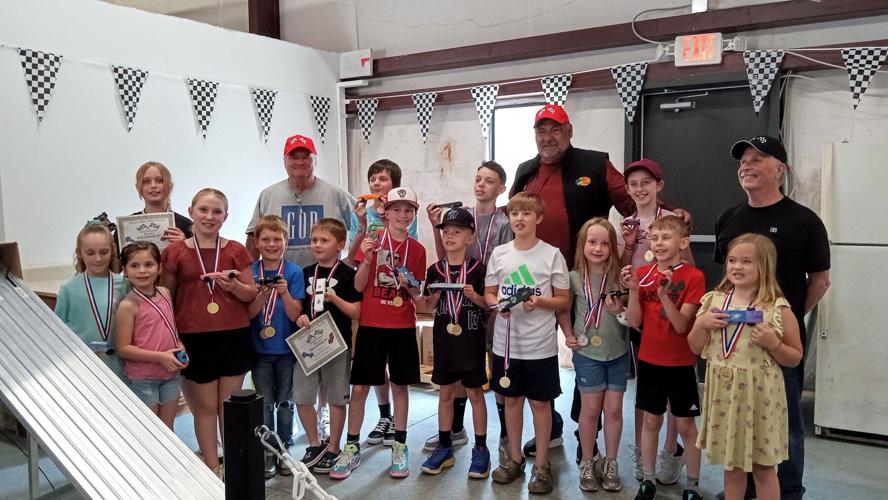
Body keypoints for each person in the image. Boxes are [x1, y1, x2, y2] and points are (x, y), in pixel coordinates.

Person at [510, 104, 688, 459]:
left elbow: (632, 202)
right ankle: (553, 430)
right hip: (536, 276)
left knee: (587, 348)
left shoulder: (594, 164)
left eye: (555, 129)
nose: (548, 137)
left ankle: (585, 436)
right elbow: (513, 213)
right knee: (542, 353)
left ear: (570, 131)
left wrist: (670, 214)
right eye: (541, 131)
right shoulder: (526, 171)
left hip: (586, 277)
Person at [715, 135, 830, 500]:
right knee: (740, 416)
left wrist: (787, 321)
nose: (746, 165)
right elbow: (726, 280)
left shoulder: (804, 221)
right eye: (743, 160)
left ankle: (789, 491)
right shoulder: (728, 218)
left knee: (786, 422)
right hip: (733, 345)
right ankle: (745, 489)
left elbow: (820, 281)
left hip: (779, 344)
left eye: (757, 158)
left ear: (779, 170)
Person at [688, 234, 803, 500]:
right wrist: (702, 324)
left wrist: (774, 344)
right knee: (733, 465)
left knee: (764, 469)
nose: (737, 267)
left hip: (760, 398)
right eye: (732, 260)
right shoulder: (713, 302)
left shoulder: (777, 308)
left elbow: (794, 357)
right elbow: (694, 347)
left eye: (746, 262)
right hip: (724, 398)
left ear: (764, 266)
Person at [160, 188, 258, 477]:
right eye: (203, 210)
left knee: (229, 407)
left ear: (226, 217)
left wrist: (233, 287)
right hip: (194, 336)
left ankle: (234, 466)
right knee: (204, 407)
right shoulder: (175, 252)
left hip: (233, 334)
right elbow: (166, 295)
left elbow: (250, 292)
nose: (209, 216)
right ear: (190, 212)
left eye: (217, 212)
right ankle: (212, 467)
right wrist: (172, 338)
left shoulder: (236, 250)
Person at [332, 187, 426, 480]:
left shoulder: (418, 250)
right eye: (396, 209)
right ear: (385, 213)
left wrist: (406, 282)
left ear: (413, 215)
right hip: (372, 325)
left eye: (408, 210)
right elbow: (359, 286)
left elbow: (416, 294)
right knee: (359, 388)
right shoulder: (371, 242)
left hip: (402, 326)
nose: (402, 215)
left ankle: (400, 444)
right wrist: (369, 261)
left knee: (400, 386)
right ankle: (351, 446)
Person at [423, 161, 514, 458]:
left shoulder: (504, 223)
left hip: (491, 301)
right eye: (477, 179)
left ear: (501, 188)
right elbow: (444, 266)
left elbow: (508, 266)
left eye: (489, 181)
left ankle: (498, 436)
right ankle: (454, 433)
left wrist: (494, 302)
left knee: (492, 372)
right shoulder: (463, 217)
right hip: (459, 309)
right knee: (455, 378)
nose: (481, 185)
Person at [611, 158, 693, 484]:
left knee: (673, 389)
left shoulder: (674, 220)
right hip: (640, 315)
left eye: (646, 182)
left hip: (670, 315)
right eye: (634, 184)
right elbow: (621, 270)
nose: (640, 189)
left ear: (659, 185)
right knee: (645, 387)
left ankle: (671, 450)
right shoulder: (626, 223)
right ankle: (643, 452)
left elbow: (687, 266)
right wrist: (628, 246)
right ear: (628, 190)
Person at [485, 192, 570, 495]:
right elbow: (490, 293)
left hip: (540, 346)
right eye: (514, 213)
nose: (519, 219)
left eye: (526, 214)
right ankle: (515, 457)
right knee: (511, 401)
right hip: (506, 345)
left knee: (540, 403)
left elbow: (563, 300)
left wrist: (540, 301)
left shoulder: (551, 254)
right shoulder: (500, 253)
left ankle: (543, 464)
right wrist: (499, 305)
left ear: (539, 219)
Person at [623, 215, 705, 500]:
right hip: (649, 361)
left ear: (683, 242)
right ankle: (648, 479)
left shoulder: (694, 276)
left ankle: (693, 485)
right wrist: (634, 291)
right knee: (650, 421)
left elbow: (682, 325)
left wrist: (664, 295)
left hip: (681, 363)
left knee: (685, 424)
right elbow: (635, 322)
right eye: (655, 238)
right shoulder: (643, 273)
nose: (659, 243)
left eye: (666, 237)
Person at [347, 159, 417, 447]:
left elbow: (408, 253)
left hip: (399, 306)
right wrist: (363, 225)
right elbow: (353, 256)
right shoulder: (362, 213)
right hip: (371, 305)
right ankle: (379, 419)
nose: (376, 184)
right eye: (373, 179)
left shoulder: (404, 217)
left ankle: (396, 431)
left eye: (383, 179)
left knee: (398, 377)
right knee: (369, 374)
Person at [419, 208, 491, 478]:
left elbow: (489, 306)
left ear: (469, 237)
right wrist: (432, 299)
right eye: (445, 232)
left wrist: (475, 297)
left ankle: (481, 448)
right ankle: (445, 445)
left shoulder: (478, 270)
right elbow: (427, 307)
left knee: (475, 394)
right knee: (445, 394)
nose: (450, 236)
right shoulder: (434, 270)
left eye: (457, 232)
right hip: (444, 341)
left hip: (471, 341)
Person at [559, 218, 628, 493]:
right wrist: (567, 334)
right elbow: (563, 310)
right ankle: (587, 461)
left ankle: (611, 462)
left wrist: (618, 311)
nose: (597, 248)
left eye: (604, 243)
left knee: (613, 411)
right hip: (587, 353)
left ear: (612, 247)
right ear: (582, 245)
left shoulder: (619, 278)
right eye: (592, 242)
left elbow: (630, 313)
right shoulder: (574, 277)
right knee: (589, 411)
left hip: (618, 352)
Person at [294, 219, 362, 475]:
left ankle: (333, 446)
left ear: (340, 245)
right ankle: (315, 444)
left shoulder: (348, 275)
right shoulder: (304, 273)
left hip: (337, 344)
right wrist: (300, 316)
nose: (317, 245)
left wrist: (336, 298)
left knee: (336, 397)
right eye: (314, 240)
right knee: (301, 395)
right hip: (308, 344)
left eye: (324, 240)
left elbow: (356, 311)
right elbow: (300, 306)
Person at [247, 215, 304, 479]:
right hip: (260, 351)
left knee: (285, 402)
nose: (271, 244)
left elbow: (295, 314)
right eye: (266, 239)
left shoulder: (293, 272)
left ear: (286, 242)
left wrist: (282, 293)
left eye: (277, 239)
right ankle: (268, 451)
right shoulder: (250, 272)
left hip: (286, 351)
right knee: (265, 403)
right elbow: (247, 314)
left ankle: (285, 450)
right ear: (257, 242)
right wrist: (261, 295)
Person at [246, 134, 355, 268]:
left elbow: (363, 227)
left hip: (324, 280)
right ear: (284, 161)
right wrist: (251, 275)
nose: (299, 162)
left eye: (305, 157)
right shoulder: (268, 195)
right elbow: (253, 236)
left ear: (315, 160)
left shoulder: (337, 194)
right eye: (294, 157)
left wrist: (350, 261)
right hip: (280, 279)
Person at [115, 241, 187, 430]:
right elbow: (123, 348)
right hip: (144, 378)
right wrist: (160, 357)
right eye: (134, 265)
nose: (142, 271)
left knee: (168, 428)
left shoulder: (165, 293)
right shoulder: (128, 305)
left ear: (160, 267)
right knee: (149, 431)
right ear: (125, 271)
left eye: (148, 264)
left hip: (170, 374)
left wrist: (180, 347)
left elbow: (171, 328)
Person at [55, 221, 128, 379]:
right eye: (90, 253)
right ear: (80, 253)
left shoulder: (124, 285)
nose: (98, 259)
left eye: (104, 252)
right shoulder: (69, 289)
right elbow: (57, 332)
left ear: (112, 251)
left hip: (119, 367)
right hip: (82, 368)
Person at [132, 161, 193, 242]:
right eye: (146, 181)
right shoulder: (127, 227)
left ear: (170, 186)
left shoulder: (187, 226)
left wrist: (185, 245)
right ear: (137, 187)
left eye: (160, 180)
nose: (153, 185)